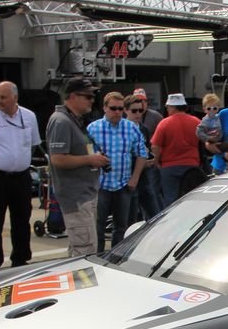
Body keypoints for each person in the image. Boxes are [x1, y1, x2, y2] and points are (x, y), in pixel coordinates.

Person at [0, 81, 41, 273]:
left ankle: (20, 259)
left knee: (21, 218)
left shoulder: (29, 117)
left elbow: (33, 144)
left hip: (21, 177)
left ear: (15, 98)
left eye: (3, 97)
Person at [46, 78, 109, 257]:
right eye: (87, 96)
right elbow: (58, 159)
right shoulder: (62, 121)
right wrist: (90, 159)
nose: (92, 100)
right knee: (85, 251)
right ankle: (82, 283)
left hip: (84, 194)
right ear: (72, 96)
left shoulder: (73, 120)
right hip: (76, 197)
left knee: (82, 248)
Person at [88, 92, 148, 252]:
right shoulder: (93, 128)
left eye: (120, 108)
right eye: (113, 108)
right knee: (98, 227)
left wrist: (134, 179)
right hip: (100, 184)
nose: (117, 112)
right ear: (104, 108)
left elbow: (142, 153)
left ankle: (115, 257)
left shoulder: (131, 128)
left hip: (123, 185)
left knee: (121, 227)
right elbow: (86, 154)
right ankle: (98, 255)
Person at [151, 93, 201, 206]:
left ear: (172, 107)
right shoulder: (196, 122)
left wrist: (157, 162)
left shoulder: (164, 123)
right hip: (192, 165)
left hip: (169, 167)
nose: (167, 109)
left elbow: (156, 147)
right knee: (191, 199)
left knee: (171, 201)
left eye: (168, 107)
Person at [124, 94, 164, 221]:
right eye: (134, 110)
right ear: (126, 110)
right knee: (129, 218)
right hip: (127, 177)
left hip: (144, 177)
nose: (138, 114)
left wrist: (150, 159)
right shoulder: (122, 129)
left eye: (140, 110)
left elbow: (148, 149)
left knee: (154, 215)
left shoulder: (143, 128)